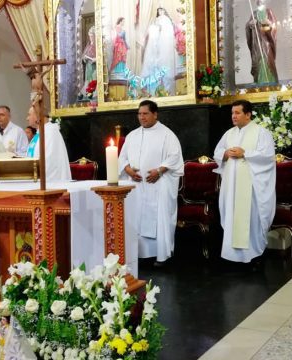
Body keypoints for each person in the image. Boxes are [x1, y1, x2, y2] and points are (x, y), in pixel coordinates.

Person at [118, 100, 184, 264]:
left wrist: (159, 171)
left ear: (155, 114)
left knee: (159, 219)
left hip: (158, 185)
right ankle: (138, 254)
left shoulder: (167, 135)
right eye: (139, 114)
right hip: (137, 187)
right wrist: (128, 171)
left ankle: (161, 255)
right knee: (136, 218)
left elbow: (174, 157)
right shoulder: (133, 135)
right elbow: (122, 158)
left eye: (145, 114)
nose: (142, 117)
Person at [213, 100, 276, 263]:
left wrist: (245, 153)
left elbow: (268, 157)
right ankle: (231, 256)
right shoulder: (229, 133)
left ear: (248, 114)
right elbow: (217, 152)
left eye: (237, 113)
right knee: (232, 216)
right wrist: (225, 154)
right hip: (232, 186)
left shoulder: (261, 133)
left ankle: (253, 256)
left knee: (250, 218)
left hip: (252, 187)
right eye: (232, 113)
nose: (233, 116)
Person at [26, 106, 71, 181]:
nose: (27, 118)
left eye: (29, 115)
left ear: (38, 116)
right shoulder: (39, 134)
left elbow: (50, 162)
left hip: (50, 183)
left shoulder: (51, 133)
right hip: (35, 179)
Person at [141, 7, 176, 96]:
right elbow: (150, 40)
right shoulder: (154, 24)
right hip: (154, 54)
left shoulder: (166, 22)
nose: (160, 12)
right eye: (159, 11)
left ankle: (163, 91)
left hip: (162, 53)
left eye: (162, 10)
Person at [246, 0, 278, 85]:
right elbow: (248, 26)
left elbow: (273, 26)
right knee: (258, 61)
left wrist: (267, 24)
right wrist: (251, 24)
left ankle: (270, 81)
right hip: (256, 43)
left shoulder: (268, 11)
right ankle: (259, 81)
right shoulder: (254, 13)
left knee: (267, 59)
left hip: (266, 42)